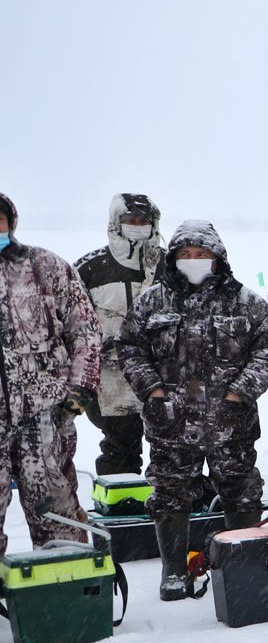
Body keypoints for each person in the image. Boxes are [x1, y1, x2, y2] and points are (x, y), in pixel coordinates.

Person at [118, 222, 268, 600]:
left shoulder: (245, 301)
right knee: (170, 495)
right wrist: (153, 389)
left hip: (231, 424)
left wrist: (241, 391)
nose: (193, 261)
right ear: (173, 259)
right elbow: (128, 346)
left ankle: (243, 563)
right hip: (170, 423)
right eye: (185, 255)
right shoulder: (152, 301)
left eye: (201, 254)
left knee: (241, 493)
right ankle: (174, 572)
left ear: (218, 258)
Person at [0, 192, 103, 556]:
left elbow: (86, 330)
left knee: (57, 514)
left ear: (10, 223)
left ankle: (68, 594)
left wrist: (81, 389)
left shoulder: (46, 266)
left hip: (43, 416)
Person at [75, 193, 164, 477]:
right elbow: (72, 324)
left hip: (164, 375)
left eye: (144, 221)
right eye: (130, 220)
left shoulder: (170, 265)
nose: (137, 226)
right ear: (116, 223)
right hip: (111, 377)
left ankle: (170, 506)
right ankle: (123, 503)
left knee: (171, 449)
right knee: (119, 447)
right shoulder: (89, 268)